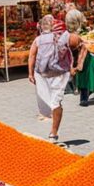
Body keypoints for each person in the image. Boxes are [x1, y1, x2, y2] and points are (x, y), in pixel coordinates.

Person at [28, 15, 74, 144]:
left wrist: (30, 73)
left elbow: (31, 56)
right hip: (58, 74)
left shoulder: (38, 40)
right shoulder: (64, 37)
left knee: (50, 101)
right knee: (55, 102)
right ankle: (53, 132)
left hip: (45, 74)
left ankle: (53, 128)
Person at [66, 9, 94, 107]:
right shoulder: (74, 36)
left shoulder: (71, 33)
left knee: (85, 78)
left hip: (80, 59)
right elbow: (76, 49)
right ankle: (84, 98)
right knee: (87, 77)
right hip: (81, 59)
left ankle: (84, 96)